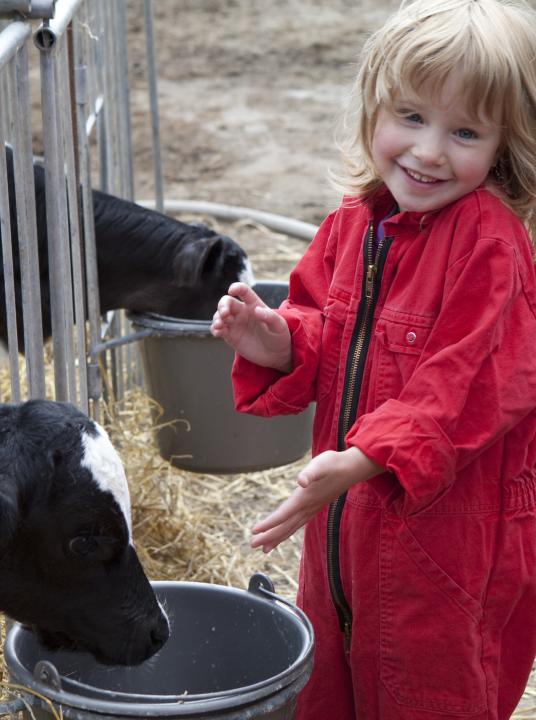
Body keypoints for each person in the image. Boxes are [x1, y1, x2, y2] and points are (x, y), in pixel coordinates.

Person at [210, 0, 536, 717]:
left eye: (464, 131)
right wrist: (276, 341)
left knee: (428, 691)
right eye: (411, 117)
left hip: (447, 546)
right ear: (373, 109)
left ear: (505, 144)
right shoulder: (354, 224)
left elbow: (471, 383)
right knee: (325, 684)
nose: (427, 152)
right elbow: (324, 327)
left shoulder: (491, 244)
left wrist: (362, 459)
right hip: (341, 528)